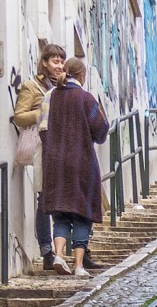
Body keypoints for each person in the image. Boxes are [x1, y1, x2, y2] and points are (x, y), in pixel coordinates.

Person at [39, 57, 109, 277]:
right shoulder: (85, 99)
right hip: (81, 163)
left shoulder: (50, 97)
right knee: (81, 213)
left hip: (55, 165)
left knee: (60, 214)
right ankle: (78, 265)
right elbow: (101, 130)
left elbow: (42, 130)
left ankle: (58, 255)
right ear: (81, 76)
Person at [12, 44, 66, 270]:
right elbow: (18, 117)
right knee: (44, 201)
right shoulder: (32, 87)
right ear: (44, 62)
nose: (59, 66)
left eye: (62, 62)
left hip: (63, 149)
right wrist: (43, 110)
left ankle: (66, 250)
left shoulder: (65, 86)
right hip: (42, 150)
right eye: (55, 61)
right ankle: (46, 250)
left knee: (65, 200)